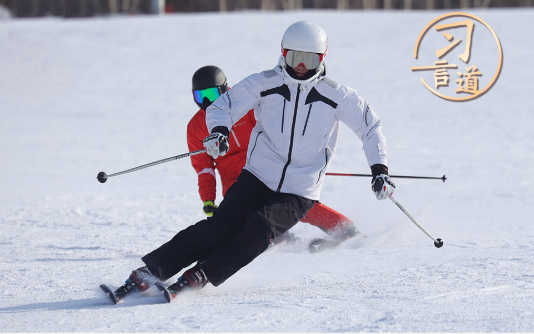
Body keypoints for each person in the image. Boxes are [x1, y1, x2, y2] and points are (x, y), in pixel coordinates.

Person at [111, 21, 395, 303]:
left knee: (259, 230)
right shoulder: (264, 82)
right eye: (294, 57)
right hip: (256, 177)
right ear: (283, 52)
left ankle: (202, 275)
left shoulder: (337, 96)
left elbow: (371, 128)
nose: (300, 65)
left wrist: (379, 169)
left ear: (322, 57)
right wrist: (220, 131)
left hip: (299, 191)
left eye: (309, 59)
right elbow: (223, 106)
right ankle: (151, 271)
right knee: (218, 227)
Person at [187, 65, 356, 242]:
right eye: (201, 96)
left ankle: (345, 229)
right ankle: (282, 240)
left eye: (212, 94)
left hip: (264, 166)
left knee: (294, 203)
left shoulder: (241, 104)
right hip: (232, 180)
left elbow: (275, 132)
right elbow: (204, 168)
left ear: (224, 89)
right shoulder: (195, 127)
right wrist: (208, 199)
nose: (207, 102)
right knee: (244, 211)